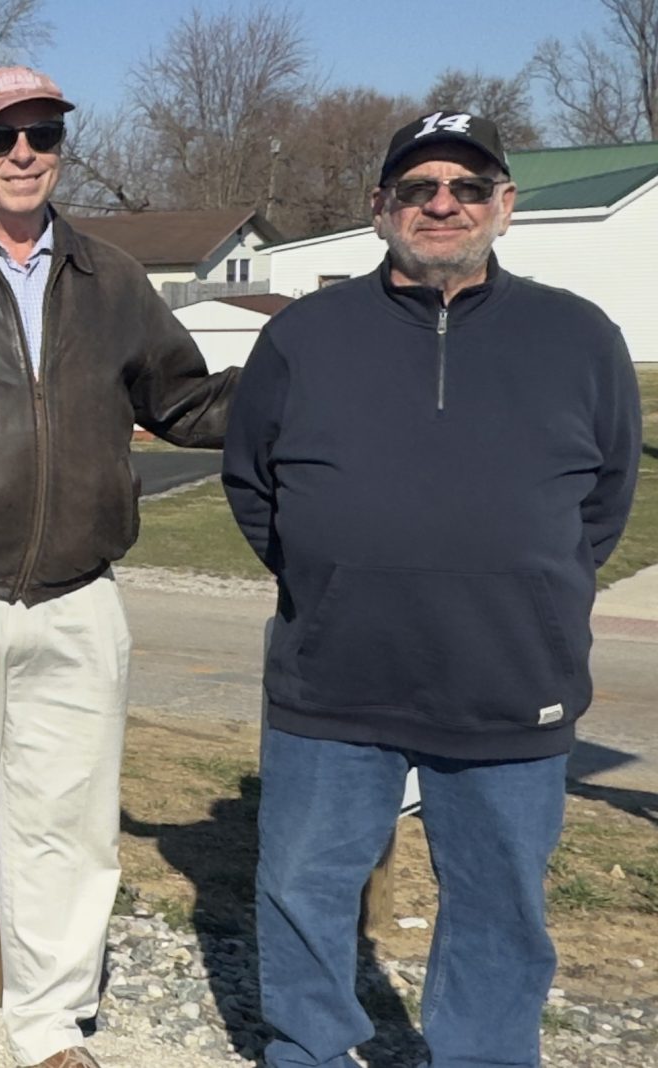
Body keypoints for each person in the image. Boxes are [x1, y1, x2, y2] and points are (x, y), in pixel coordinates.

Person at [224, 111, 638, 1068]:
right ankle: (309, 1052)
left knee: (500, 904)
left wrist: (534, 587)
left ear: (505, 206)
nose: (441, 204)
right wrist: (328, 577)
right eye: (417, 188)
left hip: (509, 680)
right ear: (381, 210)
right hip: (332, 682)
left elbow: (606, 500)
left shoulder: (578, 336)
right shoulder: (304, 337)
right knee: (303, 894)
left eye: (466, 186)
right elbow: (253, 485)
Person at [0, 67, 242, 1068]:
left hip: (78, 595)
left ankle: (49, 1027)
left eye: (42, 133)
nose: (23, 152)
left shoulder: (109, 278)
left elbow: (186, 402)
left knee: (66, 825)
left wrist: (310, 379)